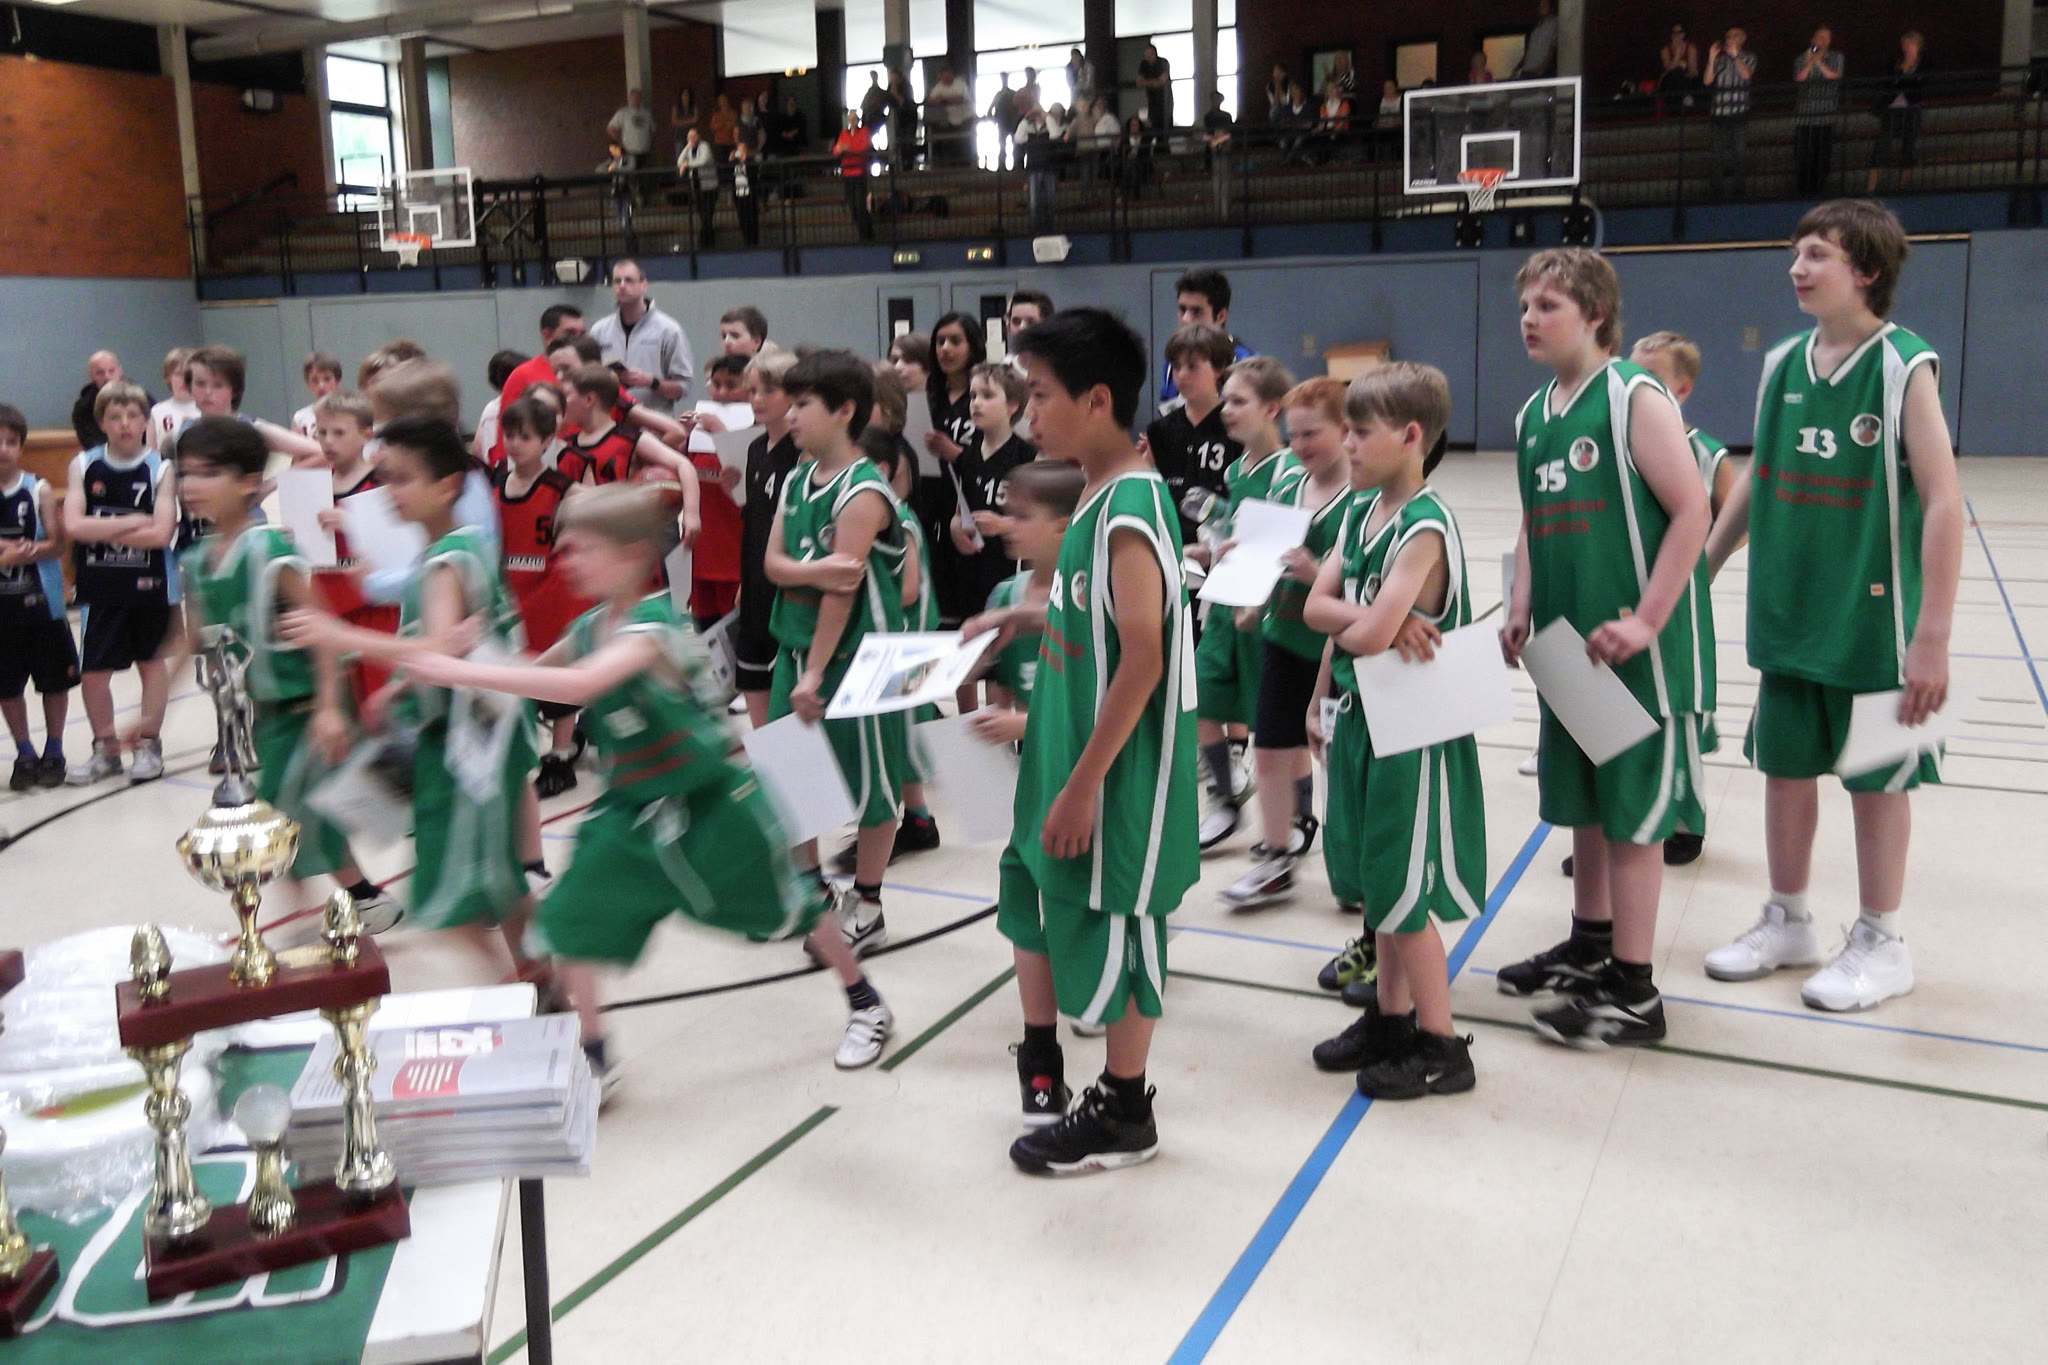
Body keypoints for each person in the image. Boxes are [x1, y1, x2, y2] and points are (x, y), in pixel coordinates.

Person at [395, 484, 880, 1096]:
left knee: (796, 910)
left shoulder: (654, 630)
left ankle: (864, 1000)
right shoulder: (592, 625)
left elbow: (580, 686)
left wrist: (454, 668)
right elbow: (537, 675)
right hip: (629, 811)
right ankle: (596, 1054)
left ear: (629, 556)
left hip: (710, 807)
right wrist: (478, 652)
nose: (565, 560)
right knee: (568, 922)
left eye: (580, 549)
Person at [1699, 200, 1961, 1013]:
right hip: (1789, 612)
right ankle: (1789, 920)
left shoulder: (1903, 365)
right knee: (1785, 771)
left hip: (1873, 623)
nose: (1797, 267)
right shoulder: (1783, 362)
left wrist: (1933, 635)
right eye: (1796, 252)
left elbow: (1944, 500)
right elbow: (1758, 479)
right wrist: (1699, 570)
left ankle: (1883, 938)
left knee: (1876, 784)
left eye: (1817, 253)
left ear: (1867, 270)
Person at [962, 308, 1198, 1174]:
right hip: (1069, 753)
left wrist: (1083, 784)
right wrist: (1021, 617)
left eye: (1041, 395)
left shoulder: (1129, 508)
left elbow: (1144, 657)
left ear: (1098, 400)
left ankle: (1125, 1108)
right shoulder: (1096, 494)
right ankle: (1098, 1088)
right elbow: (1091, 616)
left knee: (1125, 928)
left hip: (1116, 769)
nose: (1030, 413)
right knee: (1056, 905)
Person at [1496, 248, 1713, 1048]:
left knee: (1632, 818)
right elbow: (1533, 518)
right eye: (1526, 305)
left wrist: (1649, 619)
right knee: (1585, 805)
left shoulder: (1633, 397)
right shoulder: (1533, 414)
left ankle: (1634, 989)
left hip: (1633, 653)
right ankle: (1590, 942)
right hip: (1567, 645)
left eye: (1548, 305)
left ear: (1594, 313)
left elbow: (1691, 510)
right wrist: (1520, 602)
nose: (1530, 318)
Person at [281, 417, 545, 1003]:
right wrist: (398, 689)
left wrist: (338, 635)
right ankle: (542, 984)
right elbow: (451, 641)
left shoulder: (447, 558)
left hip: (469, 742)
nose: (389, 492)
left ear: (447, 485)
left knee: (448, 904)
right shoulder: (462, 545)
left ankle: (534, 990)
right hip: (484, 731)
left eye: (402, 479)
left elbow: (440, 648)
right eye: (385, 479)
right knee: (499, 881)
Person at [1304, 362, 1484, 1098]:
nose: (1345, 444)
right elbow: (1316, 609)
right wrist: (1366, 628)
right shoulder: (1358, 512)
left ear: (1411, 436)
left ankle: (1442, 1045)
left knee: (1407, 898)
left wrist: (1374, 623)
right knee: (1379, 885)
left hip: (1415, 732)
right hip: (1363, 715)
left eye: (1359, 431)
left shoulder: (1424, 526)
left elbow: (1369, 632)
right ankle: (1388, 1019)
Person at [762, 352, 907, 1071]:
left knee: (872, 791)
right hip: (799, 650)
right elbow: (774, 565)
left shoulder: (863, 491)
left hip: (858, 663)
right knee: (793, 785)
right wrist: (810, 570)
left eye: (802, 404)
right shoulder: (797, 479)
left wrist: (817, 671)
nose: (789, 415)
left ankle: (869, 903)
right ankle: (813, 895)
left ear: (844, 410)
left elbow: (843, 592)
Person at [172, 416, 363, 910]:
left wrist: (330, 708)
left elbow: (325, 632)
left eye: (208, 473)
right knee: (300, 828)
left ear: (249, 483)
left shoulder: (271, 550)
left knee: (284, 826)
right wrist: (150, 717)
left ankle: (334, 919)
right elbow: (190, 639)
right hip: (265, 719)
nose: (191, 484)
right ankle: (359, 906)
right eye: (186, 473)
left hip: (306, 710)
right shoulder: (196, 560)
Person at [1218, 366, 1350, 912]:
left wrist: (1315, 570)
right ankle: (1276, 859)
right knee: (1270, 751)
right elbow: (1264, 552)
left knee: (1340, 762)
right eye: (1293, 435)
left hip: (1335, 653)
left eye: (1311, 434)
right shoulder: (1286, 485)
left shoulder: (1360, 498)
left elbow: (1359, 580)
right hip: (1283, 641)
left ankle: (1355, 862)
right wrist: (1247, 580)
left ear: (1346, 430)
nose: (1299, 445)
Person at [1149, 324, 1248, 848]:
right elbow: (1162, 495)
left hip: (1228, 562)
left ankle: (1237, 756)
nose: (1182, 376)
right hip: (1179, 560)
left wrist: (1218, 545)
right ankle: (1216, 770)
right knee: (1186, 659)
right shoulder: (1161, 430)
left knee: (1227, 667)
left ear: (1219, 370)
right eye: (1177, 366)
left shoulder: (1235, 425)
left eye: (1194, 366)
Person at [492, 395, 589, 797]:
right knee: (514, 679)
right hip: (511, 595)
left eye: (525, 437)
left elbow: (599, 514)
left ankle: (559, 760)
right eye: (510, 435)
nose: (515, 443)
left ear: (548, 441)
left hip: (551, 597)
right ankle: (523, 755)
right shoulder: (496, 482)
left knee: (555, 681)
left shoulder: (562, 488)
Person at [0, 402, 76, 790]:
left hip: (42, 606)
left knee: (54, 682)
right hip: (3, 612)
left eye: (11, 442)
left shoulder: (38, 489)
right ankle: (24, 751)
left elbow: (57, 544)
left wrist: (29, 551)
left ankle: (55, 749)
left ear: (20, 446)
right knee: (7, 687)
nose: (3, 449)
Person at [736, 346, 799, 730]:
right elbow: (754, 519)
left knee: (783, 681)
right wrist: (744, 581)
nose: (757, 399)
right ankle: (762, 750)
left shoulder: (802, 454)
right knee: (751, 673)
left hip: (786, 586)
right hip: (754, 581)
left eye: (768, 391)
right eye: (752, 391)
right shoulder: (755, 449)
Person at [950, 362, 1036, 615]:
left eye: (987, 396)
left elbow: (1040, 522)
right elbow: (959, 510)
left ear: (1012, 405)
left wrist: (1003, 525)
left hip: (1008, 571)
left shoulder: (1026, 457)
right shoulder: (968, 456)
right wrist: (955, 526)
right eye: (972, 396)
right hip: (970, 571)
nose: (976, 403)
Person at [589, 259, 694, 414]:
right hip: (610, 421)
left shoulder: (669, 330)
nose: (622, 285)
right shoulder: (599, 330)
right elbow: (587, 380)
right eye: (617, 281)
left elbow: (683, 388)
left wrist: (651, 382)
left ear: (644, 285)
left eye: (629, 280)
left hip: (654, 422)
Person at [491, 304, 586, 465]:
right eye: (570, 332)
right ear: (547, 335)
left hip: (579, 460)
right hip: (538, 464)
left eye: (582, 333)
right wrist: (504, 470)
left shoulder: (589, 373)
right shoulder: (522, 375)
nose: (577, 338)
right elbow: (507, 428)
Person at [1158, 267, 1255, 408]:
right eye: (1182, 309)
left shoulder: (1246, 363)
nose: (1185, 319)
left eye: (1196, 311)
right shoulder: (1173, 360)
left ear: (1221, 316)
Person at [1868, 32, 1926, 194]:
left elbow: (1918, 88)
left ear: (1918, 46)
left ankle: (1902, 187)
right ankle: (1871, 189)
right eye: (1904, 45)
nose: (1906, 48)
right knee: (1881, 147)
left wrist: (1903, 79)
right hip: (1892, 108)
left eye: (1910, 44)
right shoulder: (1895, 62)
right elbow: (1888, 83)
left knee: (1908, 147)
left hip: (1912, 109)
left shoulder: (1923, 65)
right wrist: (1902, 75)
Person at [1705, 27, 1758, 198]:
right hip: (1719, 112)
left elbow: (1747, 75)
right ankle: (1716, 191)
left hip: (1739, 111)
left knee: (1740, 153)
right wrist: (1711, 58)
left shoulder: (1749, 57)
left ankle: (1739, 191)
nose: (1730, 38)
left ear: (1743, 39)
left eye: (1735, 36)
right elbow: (1707, 80)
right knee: (1716, 154)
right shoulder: (1719, 59)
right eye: (1728, 36)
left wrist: (1735, 56)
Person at [1794, 28, 1846, 194]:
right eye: (1820, 37)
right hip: (1805, 116)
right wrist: (1810, 62)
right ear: (1813, 40)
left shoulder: (1836, 57)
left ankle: (1820, 189)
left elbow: (1835, 77)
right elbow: (1799, 79)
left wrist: (1819, 63)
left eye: (1826, 38)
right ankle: (1803, 190)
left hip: (1826, 115)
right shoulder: (1801, 58)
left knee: (1823, 156)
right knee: (1804, 156)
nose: (1822, 41)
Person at [833, 112, 876, 242]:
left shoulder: (864, 131)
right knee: (852, 205)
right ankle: (863, 233)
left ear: (858, 120)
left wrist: (847, 148)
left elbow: (862, 147)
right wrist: (842, 148)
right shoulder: (843, 134)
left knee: (860, 205)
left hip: (859, 173)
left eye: (854, 119)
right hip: (847, 174)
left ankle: (867, 235)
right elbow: (836, 151)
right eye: (850, 119)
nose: (851, 122)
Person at [148, 349, 200, 454]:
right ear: (168, 377)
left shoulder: (207, 409)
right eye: (178, 374)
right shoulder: (157, 411)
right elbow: (151, 452)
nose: (184, 380)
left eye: (189, 374)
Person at [678, 127, 720, 249]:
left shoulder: (704, 146)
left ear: (698, 137)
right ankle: (707, 241)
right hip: (697, 187)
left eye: (693, 136)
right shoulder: (689, 149)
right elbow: (679, 161)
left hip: (709, 187)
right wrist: (686, 148)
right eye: (689, 137)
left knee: (708, 214)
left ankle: (706, 242)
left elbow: (703, 161)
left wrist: (687, 165)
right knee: (702, 215)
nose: (691, 138)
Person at [607, 88, 655, 182]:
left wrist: (649, 142)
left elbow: (652, 129)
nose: (636, 99)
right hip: (630, 150)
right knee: (631, 175)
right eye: (634, 97)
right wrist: (620, 141)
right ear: (630, 98)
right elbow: (610, 128)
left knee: (644, 175)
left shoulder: (646, 113)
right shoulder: (623, 112)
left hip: (644, 150)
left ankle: (642, 190)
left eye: (638, 97)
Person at [290, 353, 342, 440]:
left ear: (337, 381)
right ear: (308, 385)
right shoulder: (300, 418)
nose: (321, 386)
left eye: (327, 379)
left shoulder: (352, 414)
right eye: (315, 380)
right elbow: (293, 447)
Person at [927, 66, 972, 165]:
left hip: (966, 117)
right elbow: (931, 100)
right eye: (943, 76)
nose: (945, 78)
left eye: (947, 76)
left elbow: (960, 98)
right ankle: (954, 164)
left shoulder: (960, 83)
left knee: (966, 142)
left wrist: (943, 100)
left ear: (951, 74)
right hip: (952, 119)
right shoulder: (939, 86)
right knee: (954, 143)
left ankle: (967, 163)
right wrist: (943, 100)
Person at [1202, 93, 1236, 218]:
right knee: (1219, 181)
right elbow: (1208, 134)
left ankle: (1223, 213)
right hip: (1215, 147)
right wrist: (1216, 140)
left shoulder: (1225, 116)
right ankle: (1220, 212)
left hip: (1224, 147)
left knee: (1223, 181)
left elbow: (1229, 132)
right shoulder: (1209, 116)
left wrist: (1220, 139)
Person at [1657, 24, 1700, 112]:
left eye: (1679, 32)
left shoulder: (1690, 48)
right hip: (1669, 81)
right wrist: (1677, 55)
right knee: (1676, 72)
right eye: (1674, 32)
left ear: (1684, 34)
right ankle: (1685, 98)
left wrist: (1684, 76)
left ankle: (1684, 99)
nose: (1676, 35)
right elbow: (1668, 69)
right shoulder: (1665, 50)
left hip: (1686, 79)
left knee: (1682, 74)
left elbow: (1693, 70)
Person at [1137, 42, 1172, 151]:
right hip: (1152, 104)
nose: (1148, 57)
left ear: (1155, 53)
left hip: (1165, 103)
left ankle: (1163, 153)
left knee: (1163, 133)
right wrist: (1154, 82)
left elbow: (1161, 82)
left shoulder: (1163, 63)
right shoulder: (1144, 65)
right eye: (1146, 55)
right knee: (1153, 130)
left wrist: (1147, 82)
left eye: (1150, 54)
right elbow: (1139, 83)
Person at [729, 136, 761, 247]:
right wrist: (732, 160)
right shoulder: (735, 163)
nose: (740, 151)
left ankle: (754, 242)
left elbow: (753, 175)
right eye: (738, 149)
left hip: (749, 193)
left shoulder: (751, 161)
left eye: (742, 149)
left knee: (751, 218)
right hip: (739, 193)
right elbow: (730, 176)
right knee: (742, 219)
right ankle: (746, 241)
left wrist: (745, 160)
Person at [1514, 0, 1558, 78]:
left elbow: (1553, 47)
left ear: (1551, 6)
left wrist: (1543, 68)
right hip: (1526, 69)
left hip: (1538, 71)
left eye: (1544, 4)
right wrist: (1517, 68)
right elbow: (1529, 50)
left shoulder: (1555, 22)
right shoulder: (1537, 27)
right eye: (1540, 5)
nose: (1541, 7)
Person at [671, 85, 699, 160]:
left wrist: (681, 122)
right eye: (684, 95)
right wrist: (689, 121)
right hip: (679, 136)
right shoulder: (676, 107)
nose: (685, 97)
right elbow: (674, 121)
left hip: (692, 136)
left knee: (692, 157)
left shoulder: (693, 107)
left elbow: (695, 119)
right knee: (680, 157)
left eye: (687, 95)